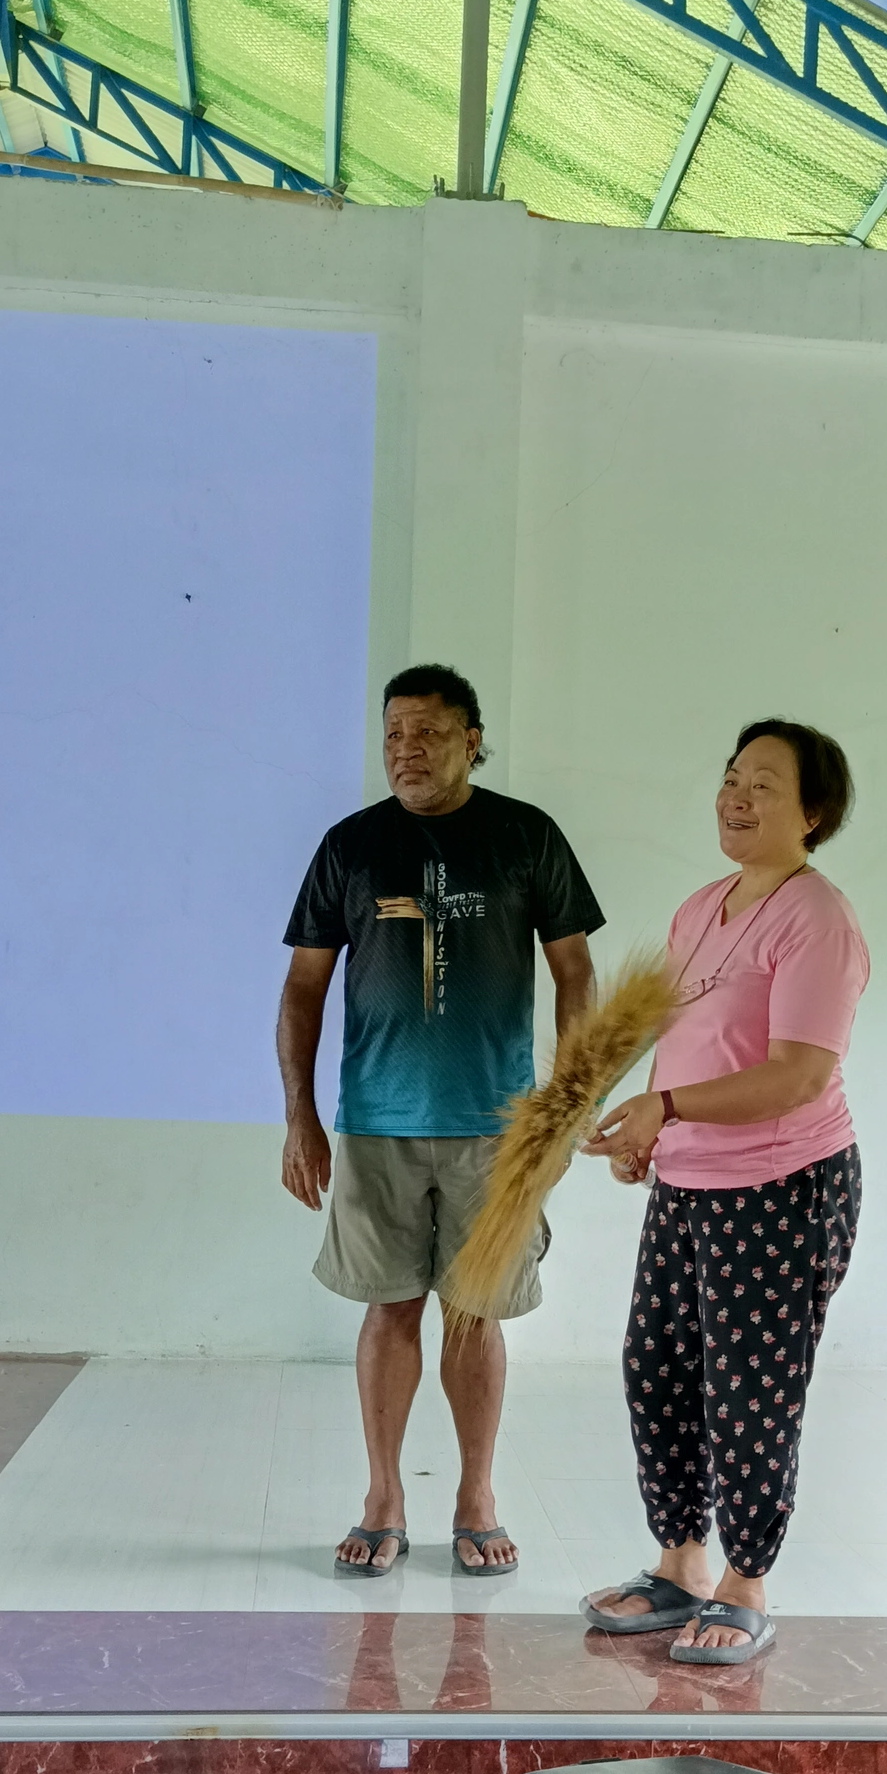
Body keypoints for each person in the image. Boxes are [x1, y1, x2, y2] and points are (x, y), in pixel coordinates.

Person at [278, 664, 603, 1580]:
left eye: (426, 732)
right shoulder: (350, 846)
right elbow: (302, 988)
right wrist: (301, 1116)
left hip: (494, 1128)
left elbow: (575, 971)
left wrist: (569, 1102)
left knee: (474, 1313)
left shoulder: (525, 836)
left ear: (471, 739)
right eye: (393, 734)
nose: (405, 750)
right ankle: (383, 1498)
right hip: (375, 1122)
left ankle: (476, 1498)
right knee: (389, 1308)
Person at [582, 719, 868, 1664]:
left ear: (812, 813)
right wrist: (652, 1134)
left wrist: (665, 1106)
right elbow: (686, 1041)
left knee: (748, 1388)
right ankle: (680, 1567)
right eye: (731, 777)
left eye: (763, 785)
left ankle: (745, 1584)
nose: (735, 797)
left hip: (780, 1185)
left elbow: (797, 1077)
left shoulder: (817, 918)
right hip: (690, 1179)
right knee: (656, 1366)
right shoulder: (701, 906)